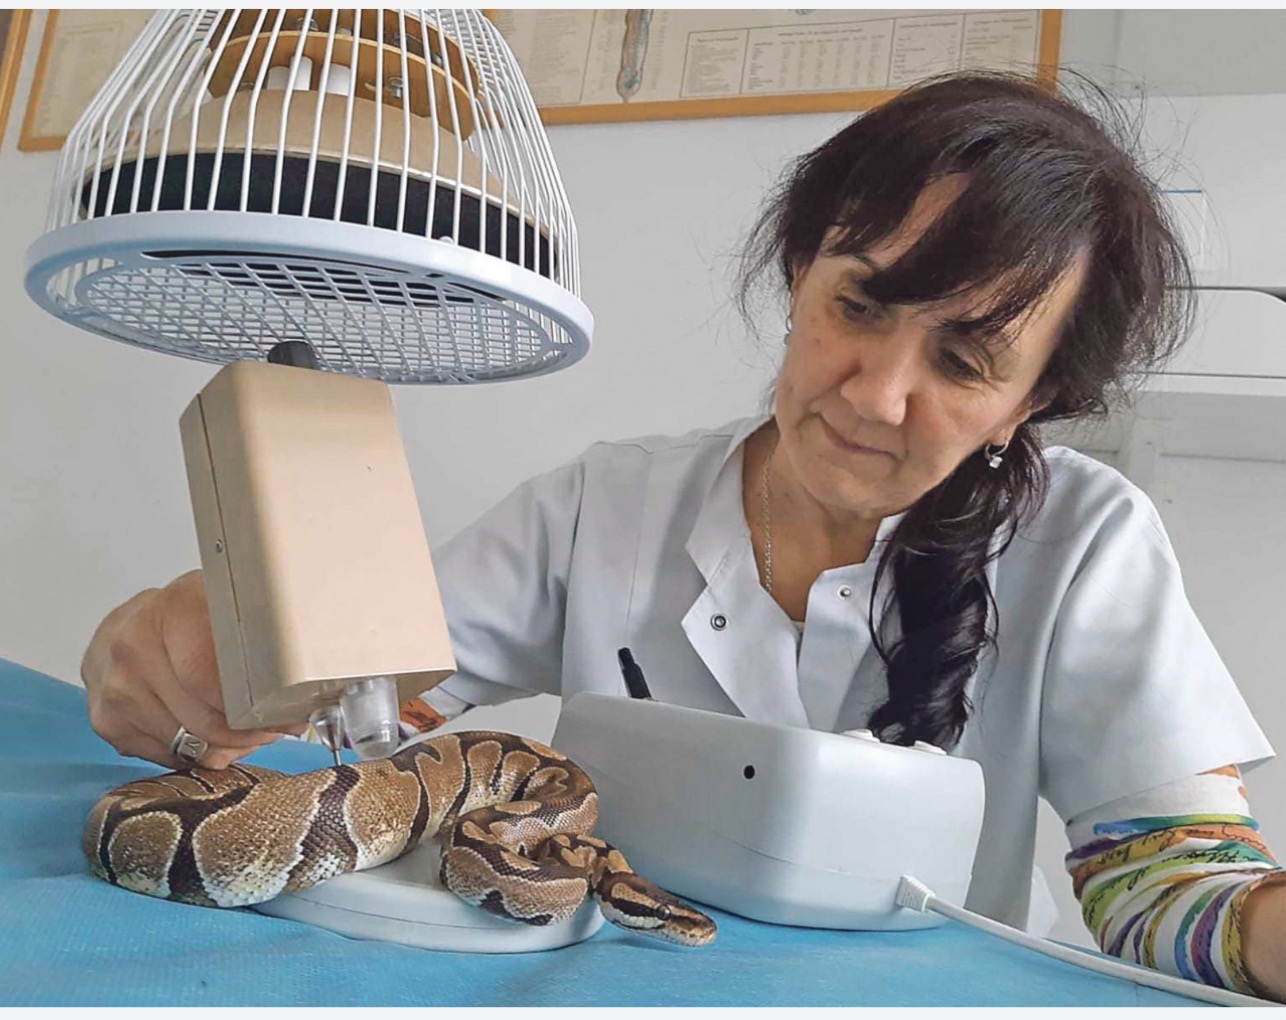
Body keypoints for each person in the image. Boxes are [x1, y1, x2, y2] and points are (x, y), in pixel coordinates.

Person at [78, 71, 1286, 998]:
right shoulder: (604, 505)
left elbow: (1165, 884)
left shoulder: (1086, 542)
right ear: (798, 276)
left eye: (964, 363)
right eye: (857, 304)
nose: (876, 394)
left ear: (1031, 403)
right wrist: (202, 665)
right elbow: (364, 714)